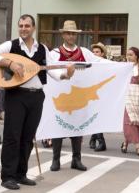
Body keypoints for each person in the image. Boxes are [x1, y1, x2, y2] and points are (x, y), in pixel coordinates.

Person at [0, 14, 75, 190]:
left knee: (27, 137)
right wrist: (9, 63)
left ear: (33, 28)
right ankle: (8, 176)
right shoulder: (12, 45)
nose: (24, 28)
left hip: (36, 97)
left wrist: (66, 74)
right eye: (21, 26)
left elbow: (54, 72)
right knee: (12, 136)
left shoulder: (42, 49)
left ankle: (21, 173)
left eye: (27, 26)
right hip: (16, 95)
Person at [49, 21, 106, 172]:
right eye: (68, 33)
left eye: (73, 33)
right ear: (63, 35)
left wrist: (120, 65)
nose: (71, 36)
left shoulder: (85, 52)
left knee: (78, 128)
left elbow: (100, 63)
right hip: (62, 97)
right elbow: (49, 71)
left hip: (79, 97)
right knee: (58, 127)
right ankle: (56, 159)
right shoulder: (55, 53)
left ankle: (76, 159)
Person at [121, 47, 139, 156]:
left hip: (138, 94)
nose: (128, 57)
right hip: (128, 94)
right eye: (127, 54)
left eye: (131, 54)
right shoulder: (125, 66)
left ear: (137, 56)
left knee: (137, 120)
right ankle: (138, 146)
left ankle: (125, 142)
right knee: (130, 119)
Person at [88, 42, 108, 152]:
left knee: (98, 116)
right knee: (93, 115)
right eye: (94, 52)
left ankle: (100, 141)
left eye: (97, 52)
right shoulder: (90, 63)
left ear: (102, 53)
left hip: (102, 93)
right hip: (92, 93)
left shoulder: (106, 64)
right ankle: (94, 138)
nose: (95, 54)